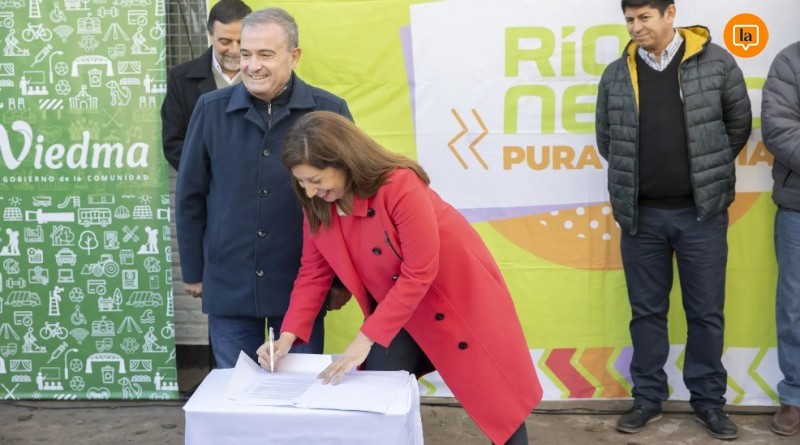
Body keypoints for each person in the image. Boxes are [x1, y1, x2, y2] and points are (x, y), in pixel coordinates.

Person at [256, 111, 542, 445]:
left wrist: (365, 337)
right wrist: (287, 337)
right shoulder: (317, 205)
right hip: (397, 309)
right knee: (379, 390)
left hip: (456, 298)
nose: (309, 191)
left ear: (343, 161)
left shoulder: (399, 184)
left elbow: (420, 271)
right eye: (302, 182)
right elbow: (313, 274)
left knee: (498, 403)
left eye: (316, 180)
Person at [595, 0, 751, 440]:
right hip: (641, 216)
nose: (635, 27)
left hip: (701, 215)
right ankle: (647, 398)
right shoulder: (615, 74)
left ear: (670, 13)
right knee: (646, 312)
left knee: (705, 313)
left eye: (644, 17)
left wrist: (704, 169)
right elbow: (608, 139)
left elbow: (737, 126)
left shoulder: (717, 63)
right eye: (629, 19)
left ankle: (709, 402)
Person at [176, 8, 353, 368]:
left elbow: (349, 203)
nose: (252, 66)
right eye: (246, 54)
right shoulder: (211, 110)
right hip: (229, 280)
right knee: (234, 384)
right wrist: (193, 270)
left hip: (303, 283)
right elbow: (190, 196)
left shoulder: (328, 111)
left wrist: (341, 280)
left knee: (298, 388)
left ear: (294, 55)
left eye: (266, 55)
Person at [161, 0, 251, 171]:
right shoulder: (181, 80)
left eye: (241, 41)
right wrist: (210, 176)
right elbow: (174, 144)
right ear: (210, 35)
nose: (234, 50)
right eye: (225, 41)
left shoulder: (268, 75)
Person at [762, 40, 800, 437]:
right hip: (797, 207)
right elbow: (779, 130)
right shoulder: (790, 61)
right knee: (794, 306)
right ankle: (795, 395)